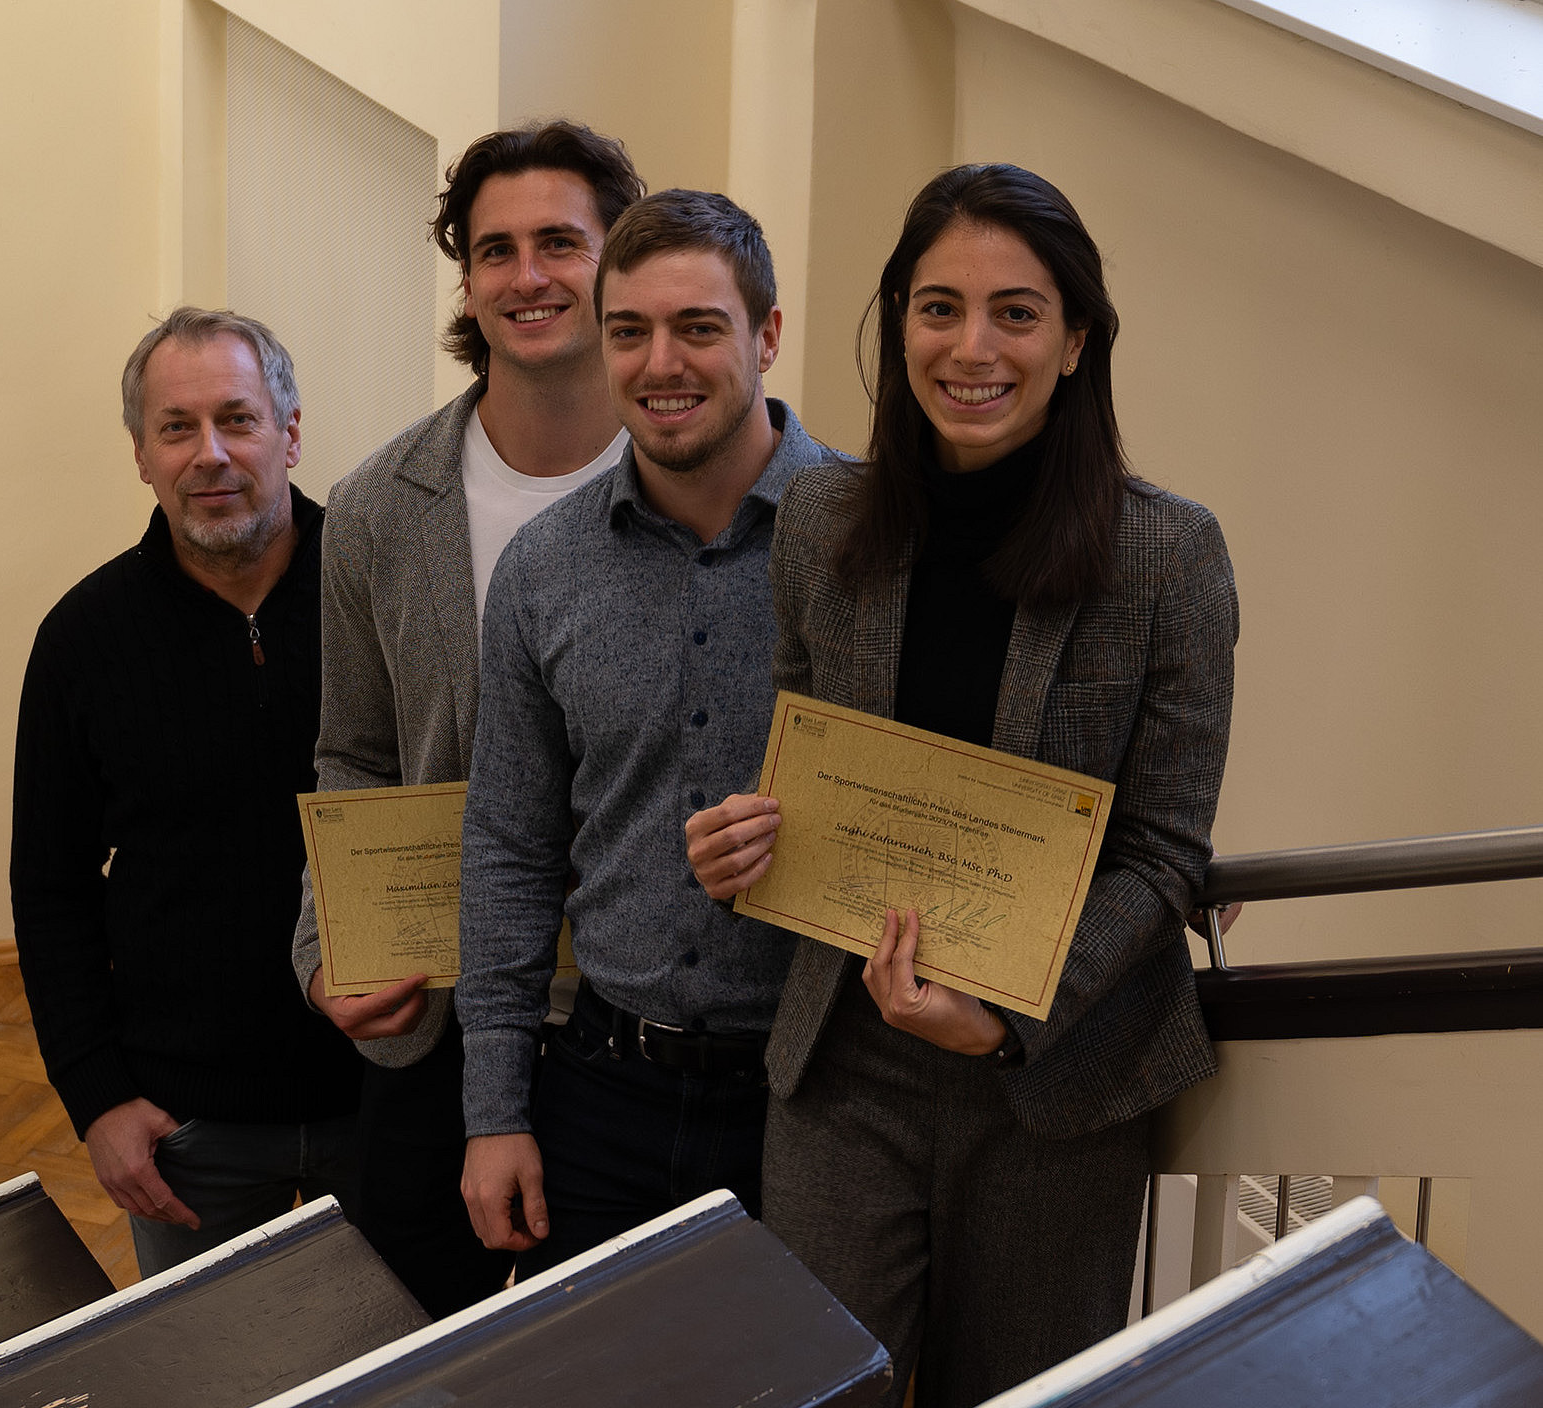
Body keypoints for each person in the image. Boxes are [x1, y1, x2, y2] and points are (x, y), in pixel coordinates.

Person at [687, 164, 1238, 1408]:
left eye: (1015, 312)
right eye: (936, 308)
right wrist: (743, 848)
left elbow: (1162, 850)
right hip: (843, 1061)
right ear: (897, 325)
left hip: (1053, 1080)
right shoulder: (823, 521)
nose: (969, 347)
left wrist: (1004, 1020)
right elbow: (805, 770)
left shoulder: (1167, 555)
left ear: (1076, 338)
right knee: (814, 1390)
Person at [289, 120, 644, 1317]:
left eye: (560, 242)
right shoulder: (376, 506)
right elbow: (355, 751)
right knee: (407, 1350)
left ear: (621, 259)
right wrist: (324, 944)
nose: (527, 275)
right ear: (466, 281)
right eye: (495, 250)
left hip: (631, 1029)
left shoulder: (701, 480)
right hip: (433, 1026)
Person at [457, 189, 844, 1278]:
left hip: (820, 1102)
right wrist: (494, 1110)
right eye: (627, 330)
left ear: (766, 336)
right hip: (598, 1094)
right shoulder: (543, 570)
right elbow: (507, 846)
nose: (657, 362)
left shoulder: (875, 545)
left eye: (698, 327)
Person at [12, 307, 362, 1278]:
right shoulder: (82, 642)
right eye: (176, 427)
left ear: (290, 434)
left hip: (385, 1101)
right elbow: (51, 890)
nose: (209, 454)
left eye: (237, 419)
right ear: (140, 453)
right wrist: (96, 1099)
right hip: (187, 1131)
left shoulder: (381, 594)